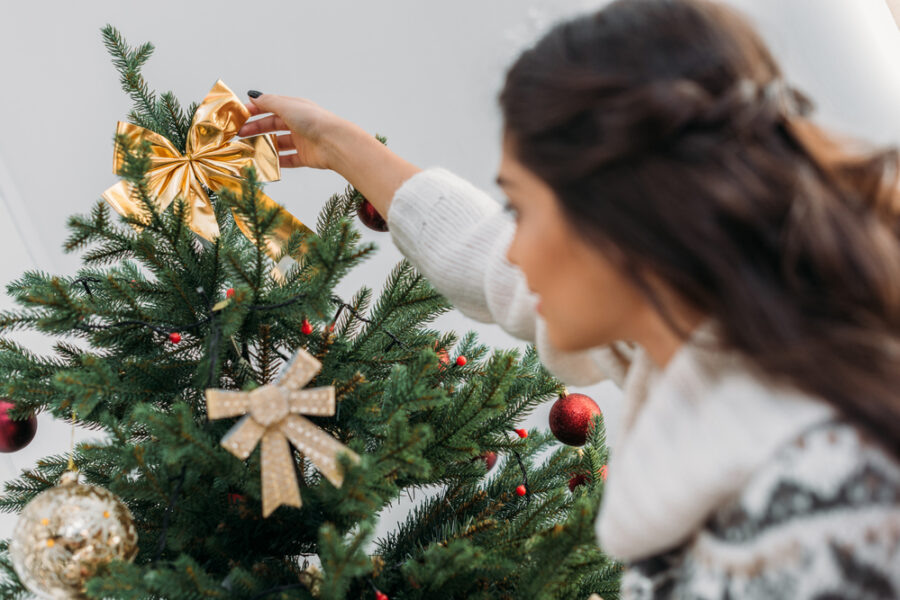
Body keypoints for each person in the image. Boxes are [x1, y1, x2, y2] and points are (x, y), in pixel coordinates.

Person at [237, 0, 900, 597]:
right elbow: (491, 261)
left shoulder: (830, 501)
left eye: (522, 208)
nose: (517, 249)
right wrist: (333, 143)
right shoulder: (704, 354)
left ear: (617, 218)